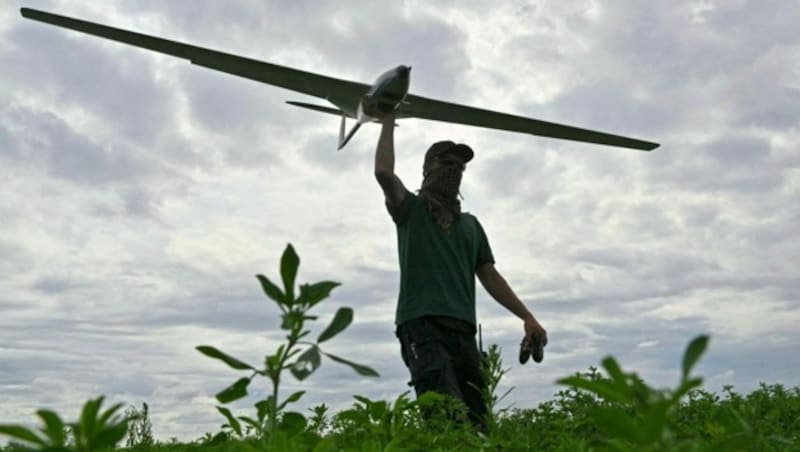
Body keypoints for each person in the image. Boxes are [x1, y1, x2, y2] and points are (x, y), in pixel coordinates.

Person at [368, 100, 548, 432]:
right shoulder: (411, 210)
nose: (454, 169)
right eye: (445, 162)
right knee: (445, 420)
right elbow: (383, 173)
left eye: (459, 166)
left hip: (463, 331)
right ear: (428, 170)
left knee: (479, 423)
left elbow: (490, 276)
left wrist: (527, 317)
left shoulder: (471, 226)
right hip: (422, 326)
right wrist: (388, 120)